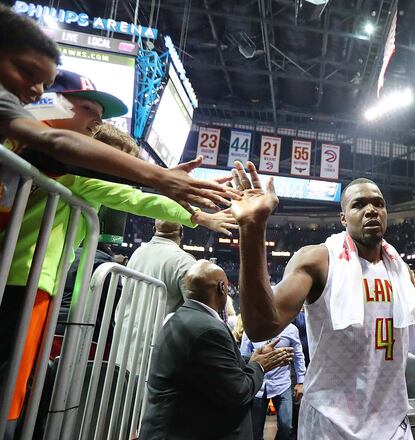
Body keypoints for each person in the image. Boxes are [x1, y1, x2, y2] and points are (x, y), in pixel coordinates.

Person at [0, 107, 230, 427]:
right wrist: (197, 215)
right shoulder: (82, 175)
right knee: (11, 385)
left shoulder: (59, 175)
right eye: (120, 164)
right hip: (31, 276)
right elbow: (136, 200)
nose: (122, 175)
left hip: (28, 274)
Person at [229, 163, 415, 439]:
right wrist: (252, 230)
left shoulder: (399, 270)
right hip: (331, 424)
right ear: (343, 218)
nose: (371, 210)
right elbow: (261, 326)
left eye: (379, 204)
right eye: (359, 204)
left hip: (392, 423)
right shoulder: (318, 260)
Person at [0, 5, 235, 212]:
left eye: (45, 83)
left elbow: (71, 158)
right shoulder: (15, 113)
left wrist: (160, 180)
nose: (38, 90)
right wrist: (160, 177)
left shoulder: (28, 146)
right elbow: (56, 142)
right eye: (26, 71)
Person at [139, 260, 293, 439]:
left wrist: (252, 358)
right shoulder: (208, 329)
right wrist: (259, 367)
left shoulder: (185, 317)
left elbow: (213, 369)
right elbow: (238, 391)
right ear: (222, 287)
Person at [241, 324, 306, 440]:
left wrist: (301, 381)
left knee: (286, 427)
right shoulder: (251, 327)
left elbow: (298, 355)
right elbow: (243, 356)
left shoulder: (291, 329)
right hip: (258, 386)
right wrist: (260, 357)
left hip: (282, 383)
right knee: (255, 430)